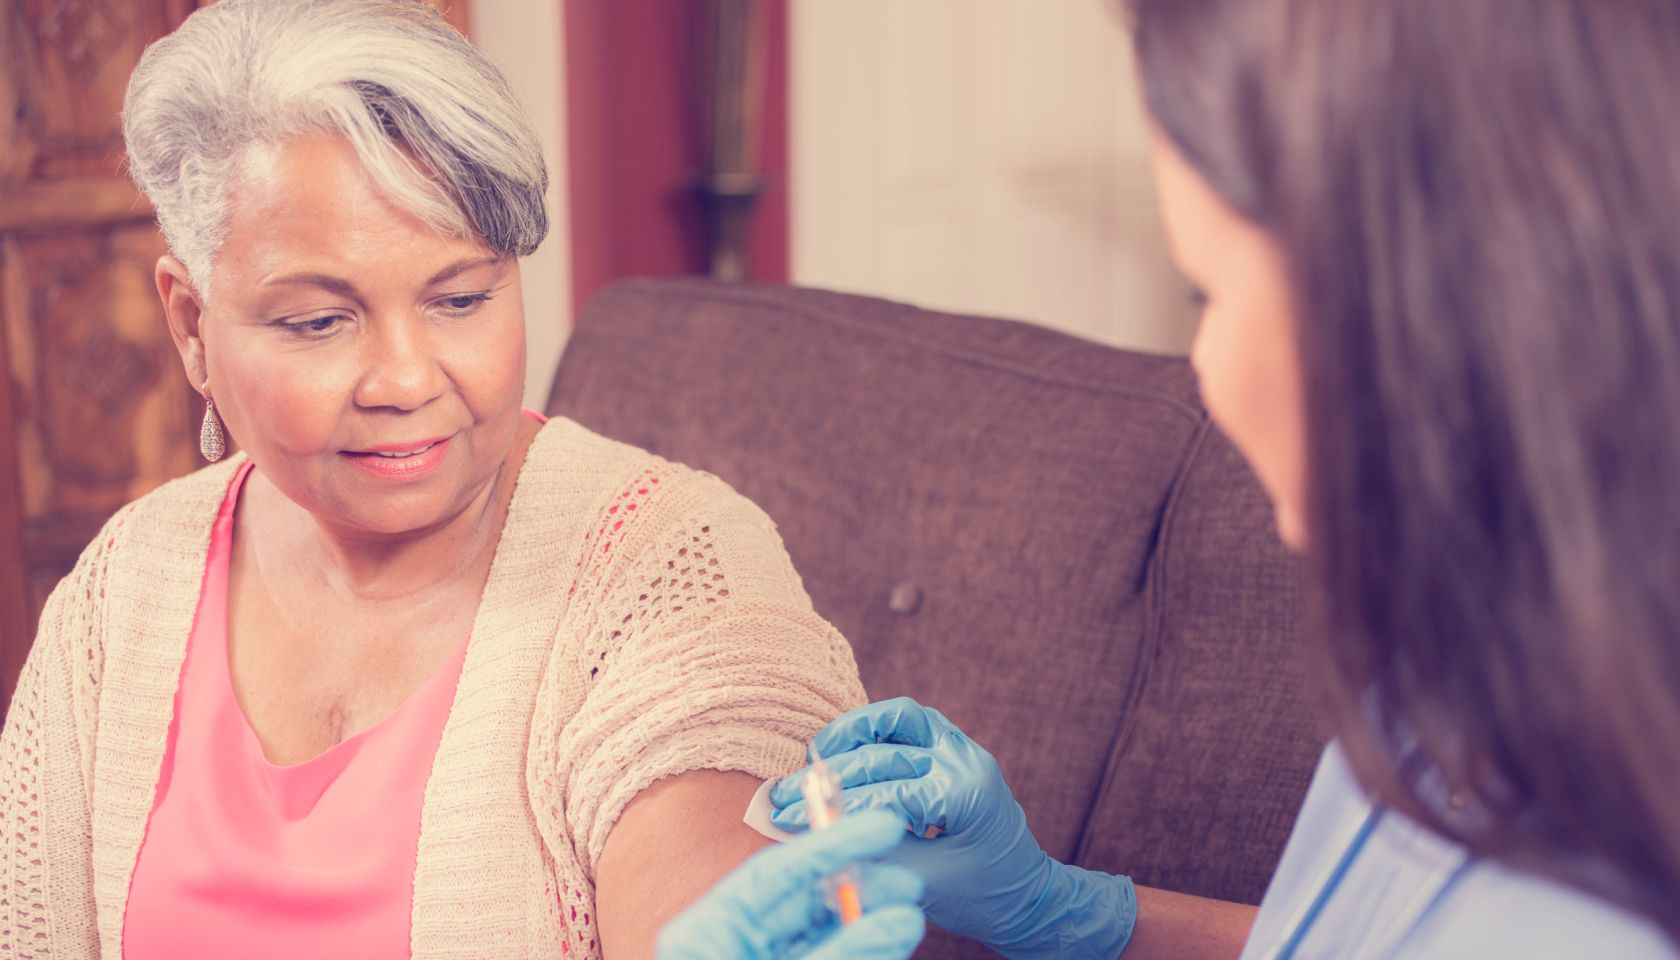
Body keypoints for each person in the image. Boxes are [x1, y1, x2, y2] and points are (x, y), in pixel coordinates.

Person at [660, 0, 1680, 956]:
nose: (1206, 370)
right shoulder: (1447, 666)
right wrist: (1074, 909)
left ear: (1420, 311)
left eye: (1209, 290)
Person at [0, 1, 870, 956]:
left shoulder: (673, 571)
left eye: (461, 298)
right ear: (192, 328)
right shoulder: (123, 588)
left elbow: (707, 872)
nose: (409, 381)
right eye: (318, 322)